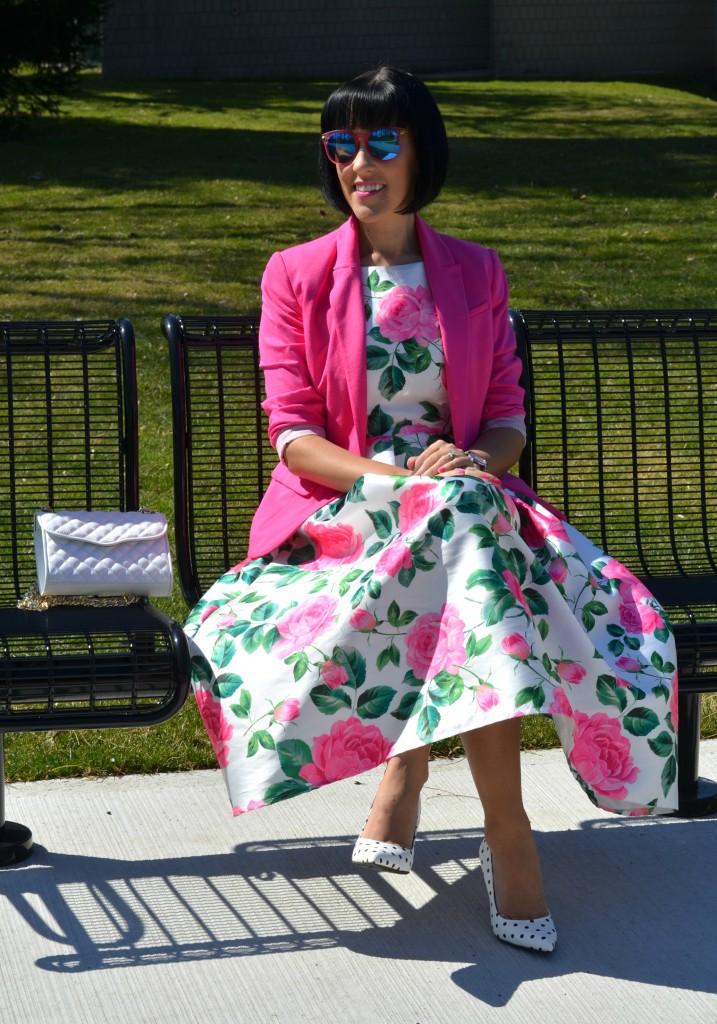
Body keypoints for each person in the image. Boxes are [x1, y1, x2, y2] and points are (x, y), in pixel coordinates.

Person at [185, 66, 679, 954]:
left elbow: (502, 418)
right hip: (343, 523)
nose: (357, 163)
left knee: (463, 537)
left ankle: (424, 786)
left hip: (469, 513)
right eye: (341, 145)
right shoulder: (295, 275)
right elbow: (292, 434)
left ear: (420, 153)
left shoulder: (474, 271)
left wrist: (466, 467)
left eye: (381, 143)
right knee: (462, 542)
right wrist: (402, 480)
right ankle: (502, 831)